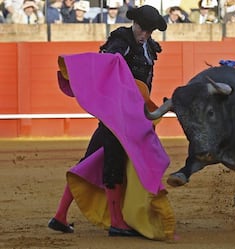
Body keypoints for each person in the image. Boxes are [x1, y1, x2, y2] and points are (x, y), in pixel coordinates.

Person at [48, 5, 173, 238]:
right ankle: (117, 222)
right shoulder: (121, 40)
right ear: (134, 23)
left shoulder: (149, 47)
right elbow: (106, 66)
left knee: (90, 162)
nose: (144, 34)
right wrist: (112, 59)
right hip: (116, 115)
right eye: (141, 28)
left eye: (149, 31)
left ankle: (60, 217)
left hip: (132, 115)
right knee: (114, 163)